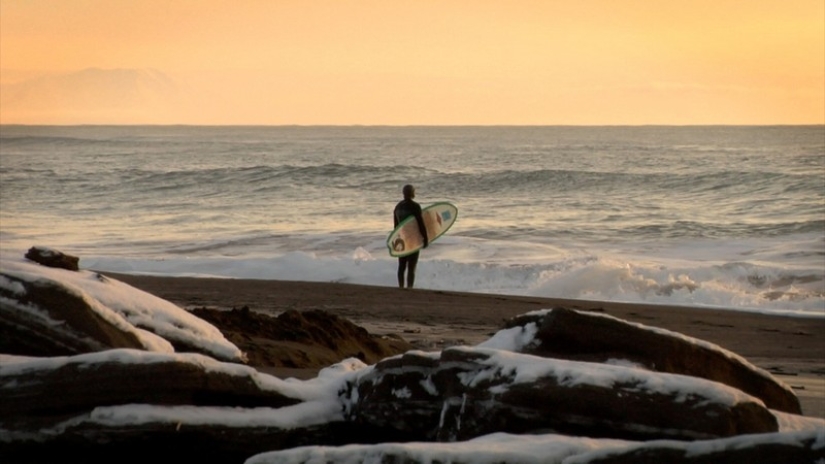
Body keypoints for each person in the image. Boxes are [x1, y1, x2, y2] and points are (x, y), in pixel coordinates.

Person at [394, 184, 428, 288]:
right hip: (413, 239)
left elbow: (396, 227)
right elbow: (420, 223)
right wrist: (425, 238)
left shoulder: (398, 207)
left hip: (402, 239)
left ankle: (401, 287)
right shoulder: (415, 206)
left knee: (401, 265)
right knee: (411, 266)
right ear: (412, 193)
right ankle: (409, 287)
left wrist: (397, 242)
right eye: (414, 191)